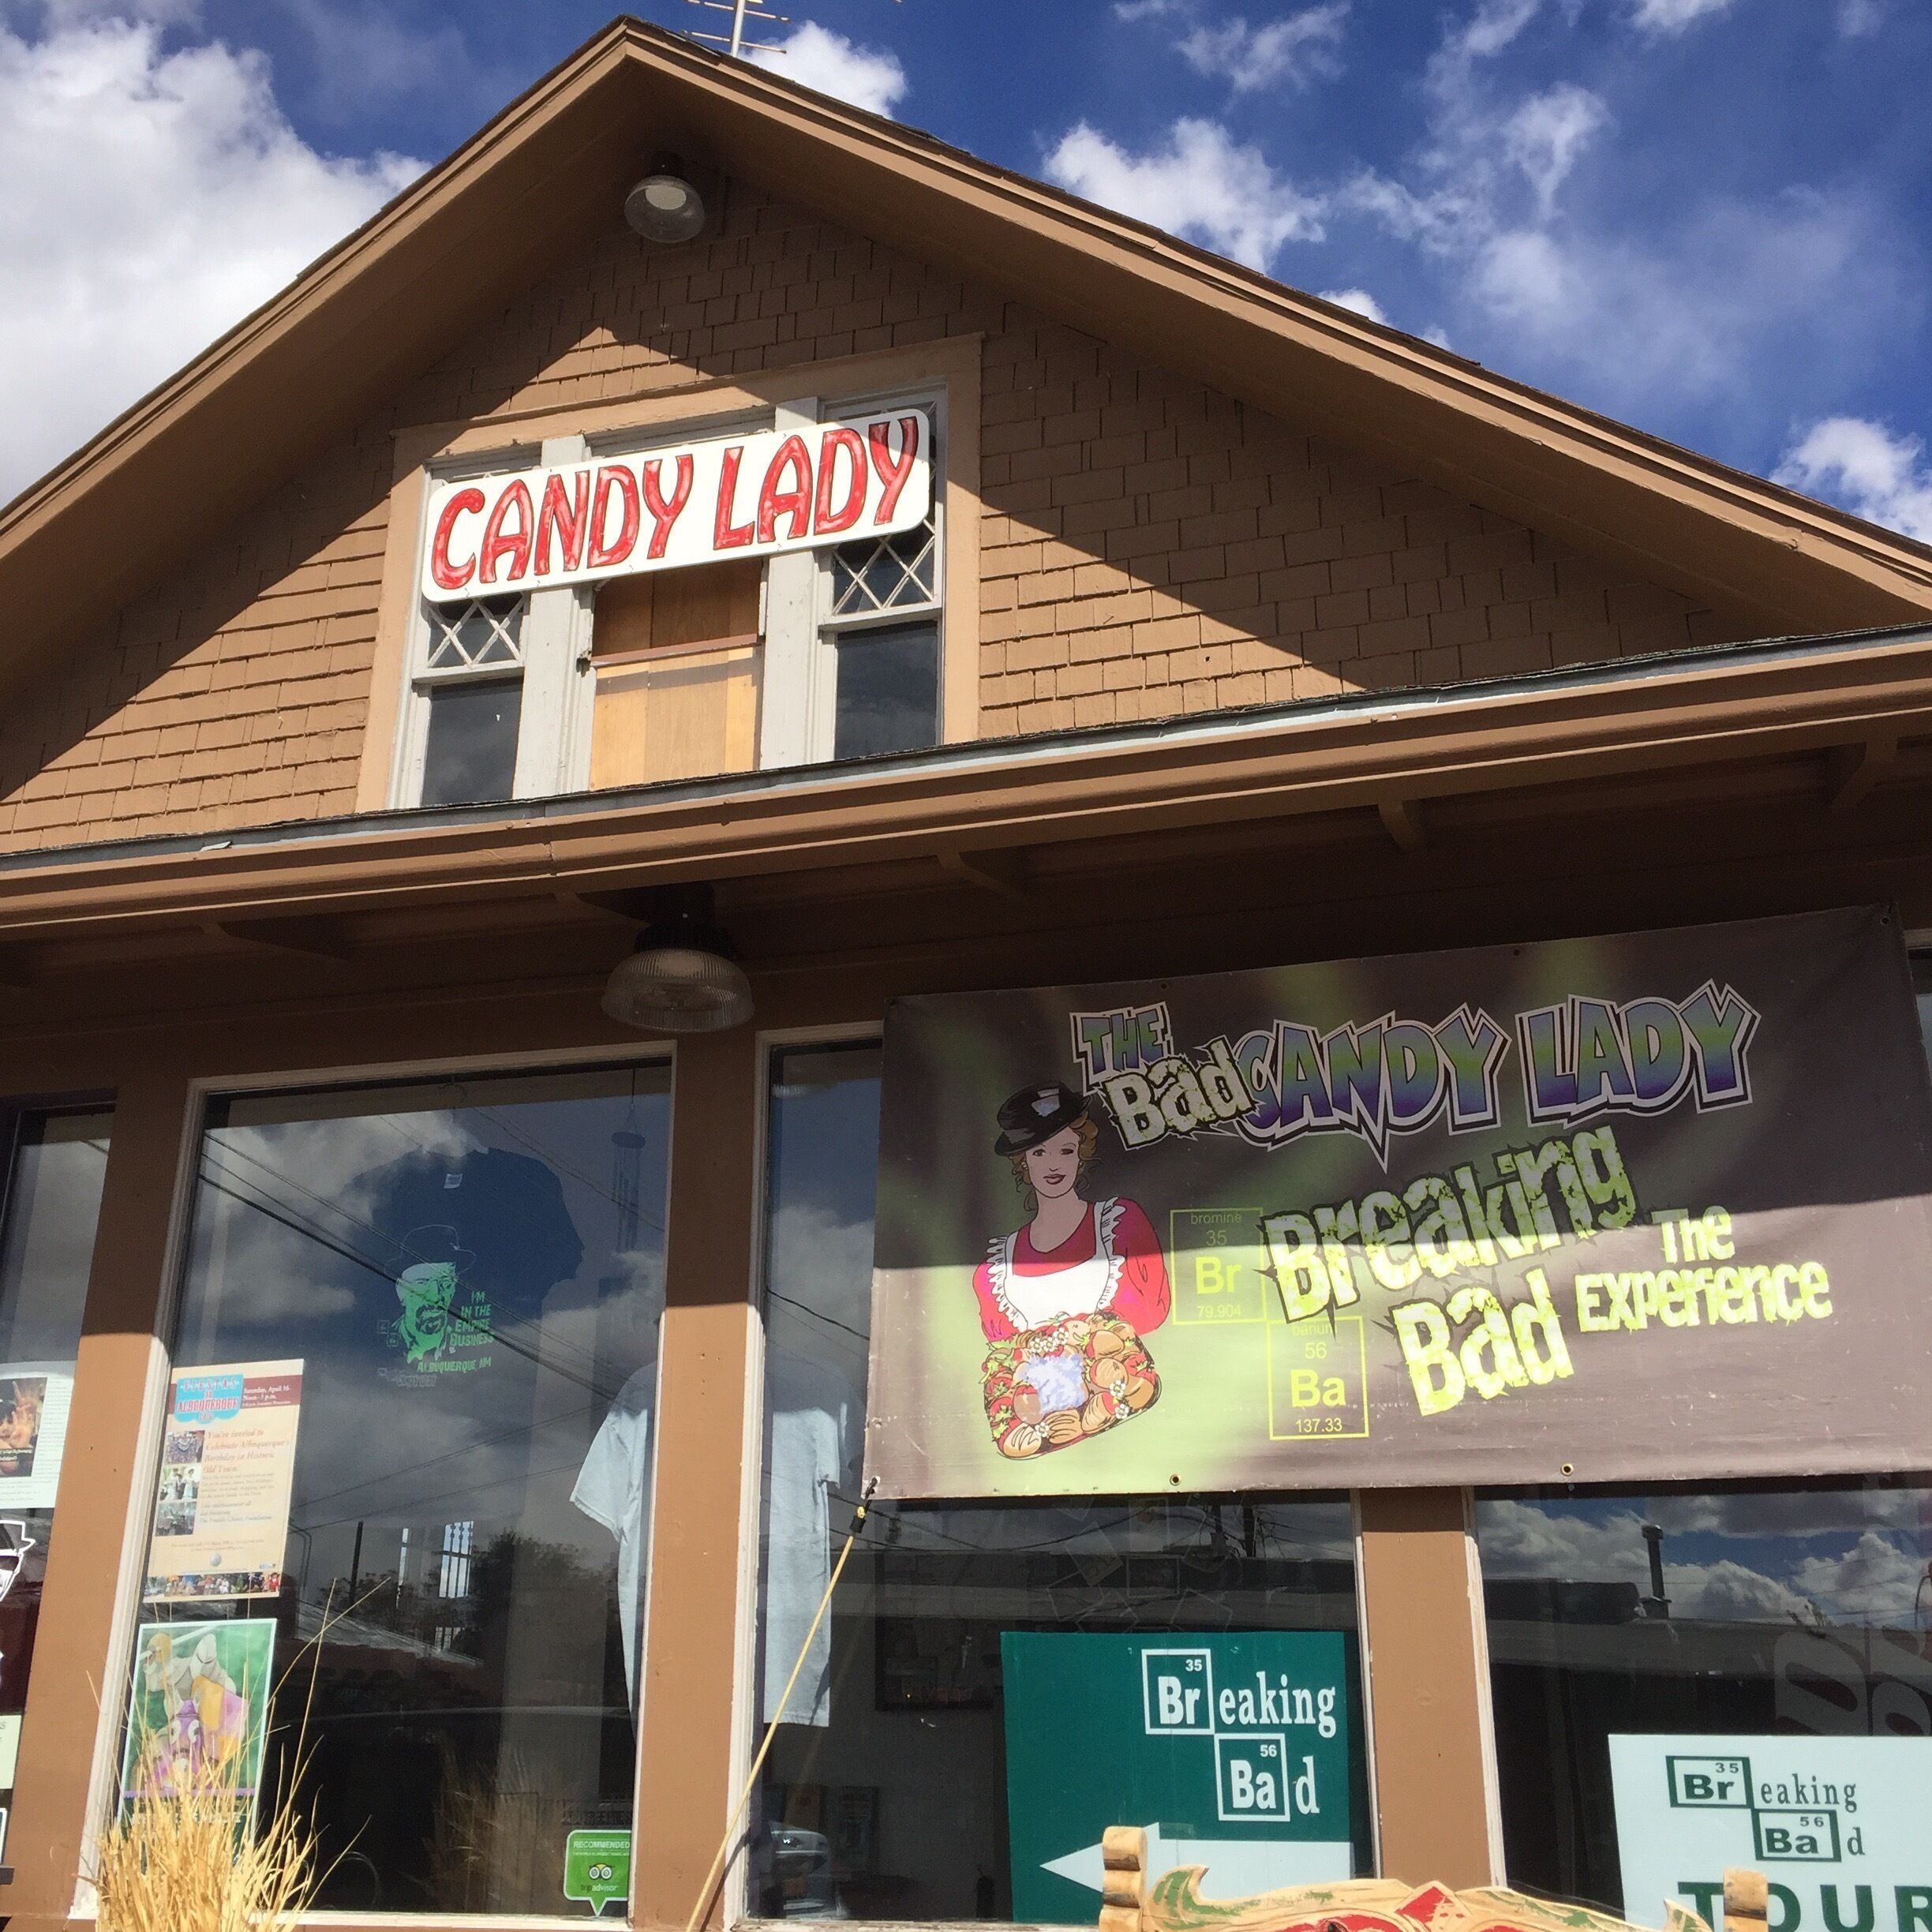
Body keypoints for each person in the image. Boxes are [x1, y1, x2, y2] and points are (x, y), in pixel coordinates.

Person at [972, 1082, 1170, 1342]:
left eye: (1065, 1151)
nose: (1053, 1165)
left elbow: (1152, 1315)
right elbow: (1003, 1359)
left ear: (1080, 1156)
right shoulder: (996, 1272)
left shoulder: (1122, 1225)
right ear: (1024, 1162)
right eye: (1039, 1153)